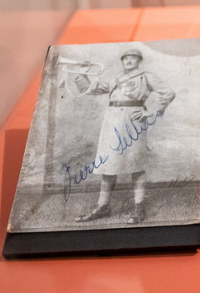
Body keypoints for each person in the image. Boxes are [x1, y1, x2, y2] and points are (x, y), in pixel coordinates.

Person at [72, 47, 176, 224]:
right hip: (112, 122)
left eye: (133, 58)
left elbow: (168, 92)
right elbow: (93, 88)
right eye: (125, 58)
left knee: (136, 163)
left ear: (139, 61)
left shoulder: (146, 76)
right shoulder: (116, 79)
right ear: (122, 61)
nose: (128, 61)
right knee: (108, 164)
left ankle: (139, 206)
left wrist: (150, 111)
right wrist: (82, 73)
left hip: (133, 121)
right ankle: (103, 206)